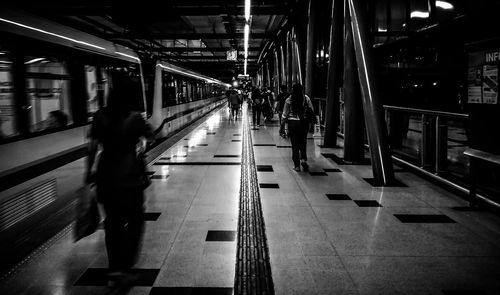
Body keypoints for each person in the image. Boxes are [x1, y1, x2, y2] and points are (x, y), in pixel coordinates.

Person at [84, 75, 155, 289]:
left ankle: (114, 269)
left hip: (106, 177)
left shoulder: (99, 116)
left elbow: (92, 147)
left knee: (112, 224)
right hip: (130, 178)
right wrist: (139, 139)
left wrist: (89, 172)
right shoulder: (135, 117)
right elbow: (151, 137)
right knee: (135, 221)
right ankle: (126, 267)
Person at [282, 83, 314, 171]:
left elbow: (284, 115)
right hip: (303, 123)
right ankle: (303, 159)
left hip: (293, 124)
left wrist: (282, 127)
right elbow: (311, 110)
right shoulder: (306, 98)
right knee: (303, 142)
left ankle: (296, 165)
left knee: (294, 144)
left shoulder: (289, 100)